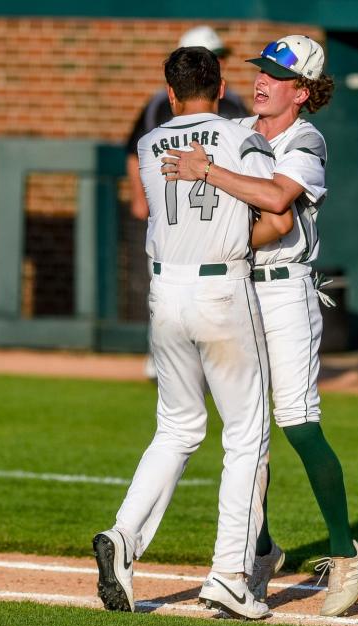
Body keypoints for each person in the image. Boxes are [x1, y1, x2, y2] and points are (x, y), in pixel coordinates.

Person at [160, 35, 358, 617]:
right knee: (244, 430)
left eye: (277, 76)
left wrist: (209, 174)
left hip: (285, 291)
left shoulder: (305, 138)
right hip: (236, 288)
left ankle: (346, 552)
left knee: (297, 423)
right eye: (260, 71)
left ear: (302, 91)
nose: (262, 81)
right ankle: (256, 550)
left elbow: (279, 203)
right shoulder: (239, 134)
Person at [93, 45, 275, 620]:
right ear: (221, 88)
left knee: (175, 428)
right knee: (246, 433)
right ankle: (228, 574)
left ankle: (124, 536)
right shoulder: (244, 137)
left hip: (164, 291)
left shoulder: (149, 143)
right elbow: (276, 213)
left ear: (170, 94)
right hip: (223, 286)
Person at [124, 26, 248, 380]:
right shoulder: (165, 105)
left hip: (202, 217)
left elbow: (138, 149)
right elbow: (134, 152)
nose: (221, 61)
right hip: (183, 217)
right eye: (215, 55)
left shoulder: (227, 102)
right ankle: (165, 359)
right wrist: (139, 196)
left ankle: (185, 364)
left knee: (172, 291)